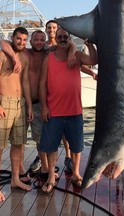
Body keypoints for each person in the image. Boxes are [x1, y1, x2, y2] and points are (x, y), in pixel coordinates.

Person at [39, 28, 97, 193]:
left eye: (65, 36)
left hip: (74, 111)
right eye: (60, 37)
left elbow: (94, 59)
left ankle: (76, 173)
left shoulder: (77, 56)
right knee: (51, 147)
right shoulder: (48, 59)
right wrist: (44, 107)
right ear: (55, 39)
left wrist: (89, 44)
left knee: (76, 146)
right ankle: (51, 176)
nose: (63, 39)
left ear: (69, 38)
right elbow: (42, 84)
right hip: (53, 112)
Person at [0, 27, 33, 202]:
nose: (21, 42)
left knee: (18, 144)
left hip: (20, 103)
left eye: (24, 40)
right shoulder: (1, 55)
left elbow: (26, 83)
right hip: (3, 103)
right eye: (18, 39)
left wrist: (29, 105)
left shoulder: (25, 58)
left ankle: (15, 179)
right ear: (13, 38)